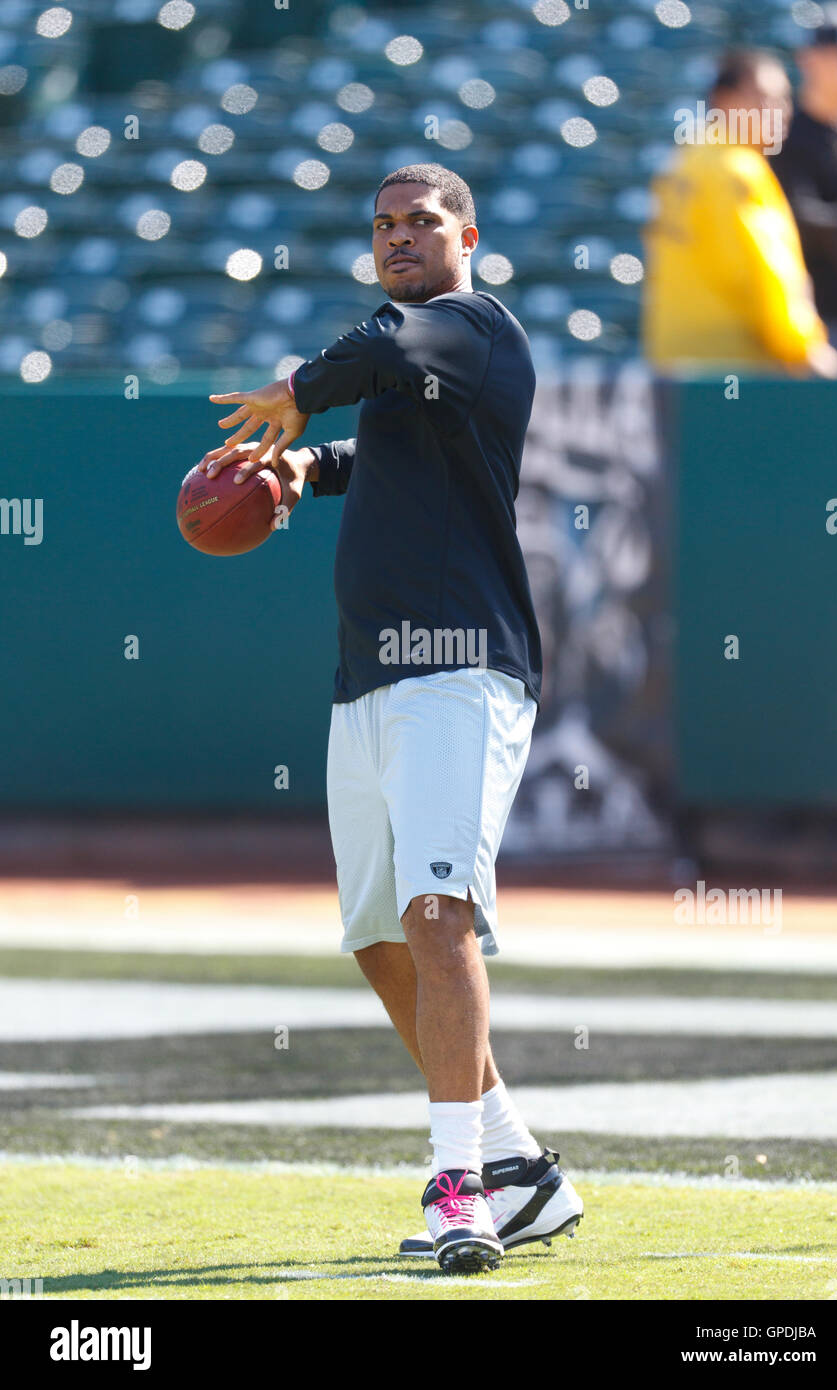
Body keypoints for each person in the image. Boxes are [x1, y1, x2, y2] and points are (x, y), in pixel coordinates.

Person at [197, 163, 583, 1274]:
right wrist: (300, 467)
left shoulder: (467, 329)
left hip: (457, 669)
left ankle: (456, 1186)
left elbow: (376, 356)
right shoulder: (408, 362)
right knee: (377, 940)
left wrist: (296, 389)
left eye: (421, 221)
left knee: (434, 913)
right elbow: (386, 457)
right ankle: (519, 1168)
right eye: (383, 225)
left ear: (467, 236)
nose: (399, 236)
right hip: (368, 677)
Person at [643, 49, 837, 377]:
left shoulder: (685, 160)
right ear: (724, 101)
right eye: (765, 98)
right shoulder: (738, 170)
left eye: (784, 100)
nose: (779, 111)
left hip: (677, 360)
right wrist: (803, 346)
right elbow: (763, 272)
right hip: (736, 366)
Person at [770, 3, 837, 359]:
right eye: (833, 56)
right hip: (818, 317)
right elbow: (800, 221)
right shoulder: (786, 135)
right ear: (807, 60)